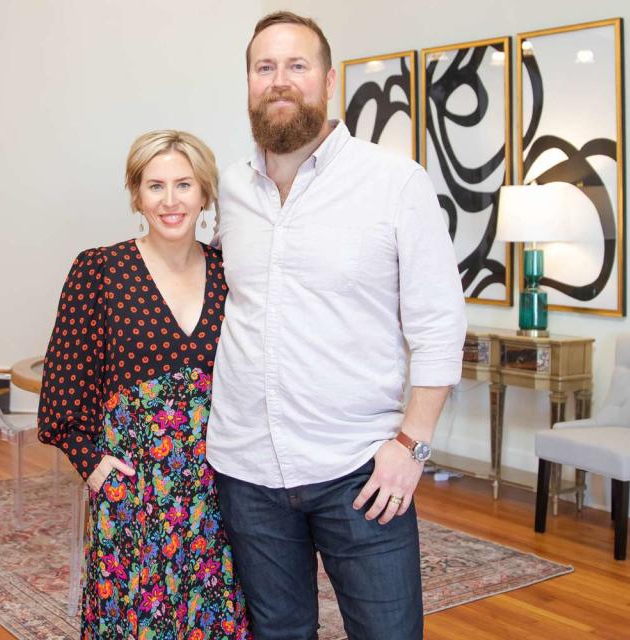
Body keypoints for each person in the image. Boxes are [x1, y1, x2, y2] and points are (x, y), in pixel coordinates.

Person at [207, 11, 467, 640]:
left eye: (297, 66)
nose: (280, 80)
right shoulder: (226, 194)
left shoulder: (393, 183)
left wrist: (412, 446)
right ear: (247, 83)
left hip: (361, 470)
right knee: (280, 633)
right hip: (248, 471)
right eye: (264, 67)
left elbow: (438, 324)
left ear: (329, 82)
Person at [38, 130, 252, 640]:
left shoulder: (231, 272)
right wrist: (91, 466)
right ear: (136, 195)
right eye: (155, 186)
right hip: (134, 492)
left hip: (220, 489)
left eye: (184, 184)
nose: (171, 200)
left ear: (205, 193)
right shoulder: (100, 271)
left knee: (218, 620)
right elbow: (64, 384)